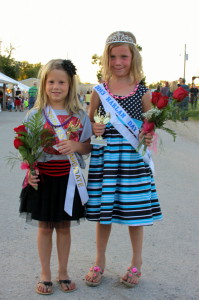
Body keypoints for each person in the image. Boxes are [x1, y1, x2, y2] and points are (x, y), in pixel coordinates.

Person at [85, 31, 162, 288]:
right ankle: (99, 261)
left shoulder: (143, 91)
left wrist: (148, 135)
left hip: (132, 160)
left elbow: (150, 126)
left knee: (135, 213)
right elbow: (91, 119)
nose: (118, 62)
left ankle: (136, 262)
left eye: (124, 56)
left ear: (133, 57)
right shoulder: (99, 89)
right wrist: (95, 126)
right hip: (106, 157)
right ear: (106, 58)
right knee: (104, 213)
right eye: (113, 56)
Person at [19, 59, 92, 295]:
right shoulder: (34, 115)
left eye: (62, 82)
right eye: (51, 81)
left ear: (70, 85)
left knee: (63, 227)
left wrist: (75, 145)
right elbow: (26, 149)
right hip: (42, 179)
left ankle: (63, 272)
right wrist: (29, 171)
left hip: (68, 180)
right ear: (44, 84)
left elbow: (88, 146)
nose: (56, 86)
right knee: (44, 227)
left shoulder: (80, 115)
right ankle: (45, 273)